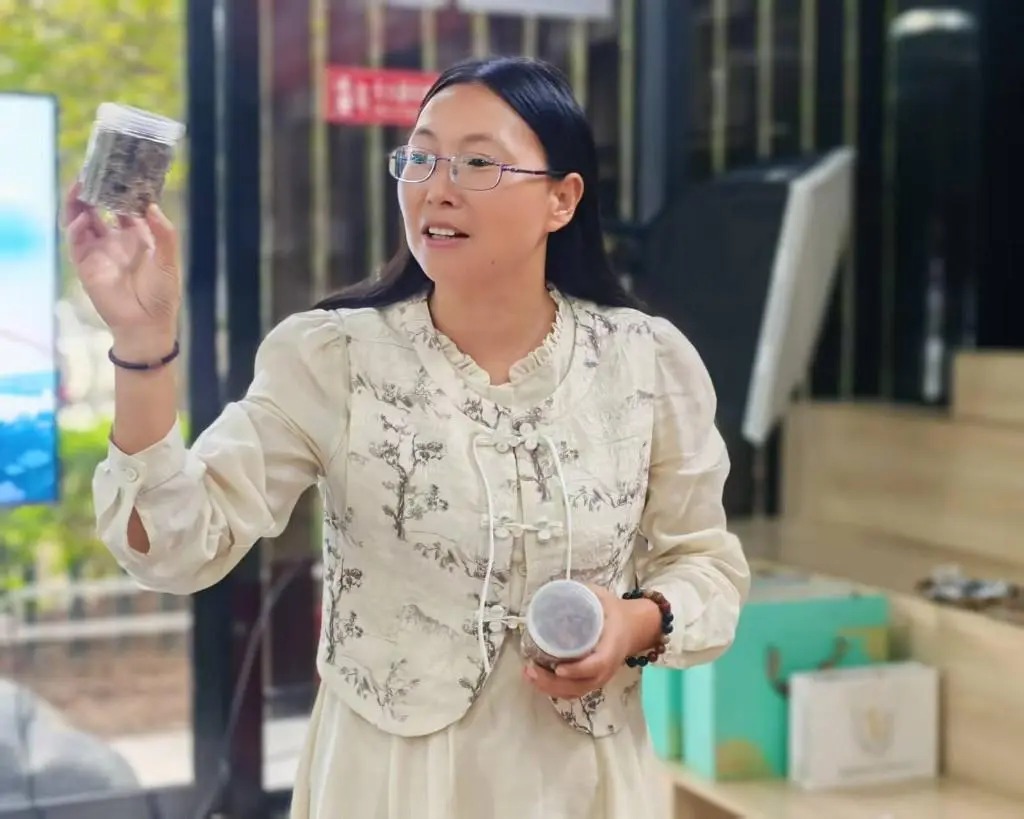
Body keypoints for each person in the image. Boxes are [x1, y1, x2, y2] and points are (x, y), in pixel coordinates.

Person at [67, 56, 749, 819]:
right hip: (385, 787)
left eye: (478, 163)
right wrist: (142, 343)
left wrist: (636, 622)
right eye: (420, 158)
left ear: (561, 199)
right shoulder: (332, 357)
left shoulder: (646, 361)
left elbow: (707, 564)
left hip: (582, 785)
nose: (437, 186)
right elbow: (170, 545)